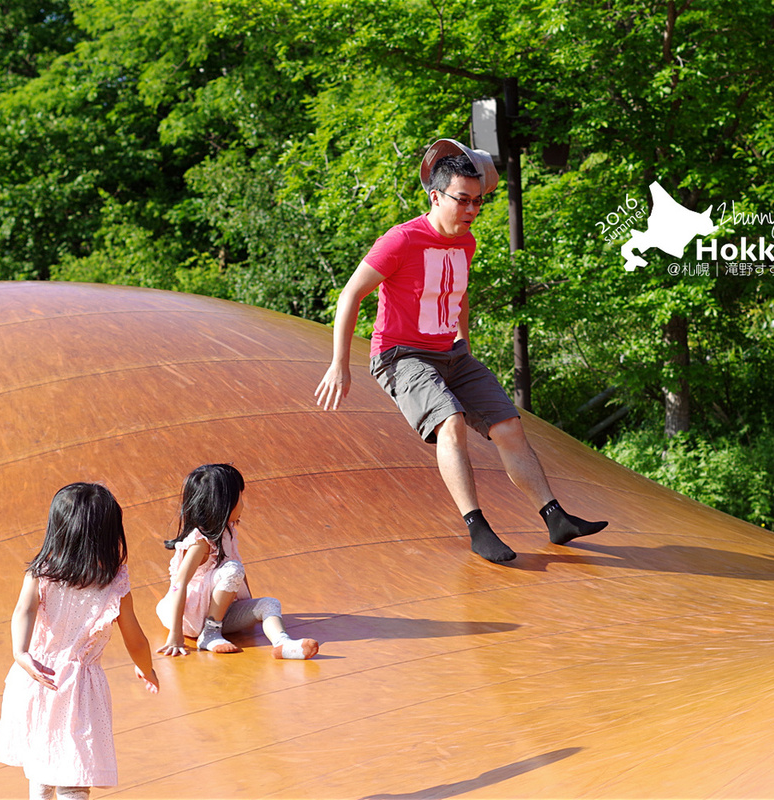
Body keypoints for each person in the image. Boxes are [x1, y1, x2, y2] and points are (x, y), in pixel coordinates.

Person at [314, 138, 607, 563]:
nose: (471, 211)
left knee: (508, 426)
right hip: (401, 355)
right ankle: (478, 529)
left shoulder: (465, 242)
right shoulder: (400, 241)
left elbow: (459, 295)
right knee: (449, 423)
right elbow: (350, 295)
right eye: (463, 201)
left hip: (452, 353)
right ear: (436, 197)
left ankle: (556, 518)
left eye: (478, 203)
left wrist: (463, 344)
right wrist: (339, 363)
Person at [0, 483, 159, 800]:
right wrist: (147, 668)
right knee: (73, 769)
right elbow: (135, 639)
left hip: (36, 677)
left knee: (41, 760)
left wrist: (21, 653)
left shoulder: (41, 571)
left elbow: (23, 609)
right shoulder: (113, 582)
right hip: (80, 689)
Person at [155, 463, 319, 659]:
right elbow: (178, 584)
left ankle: (283, 644)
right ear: (223, 503)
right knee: (233, 569)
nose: (243, 504)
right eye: (240, 498)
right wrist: (175, 635)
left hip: (222, 612)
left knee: (269, 604)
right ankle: (210, 635)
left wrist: (249, 607)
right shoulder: (200, 542)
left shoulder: (228, 531)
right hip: (190, 617)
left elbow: (237, 568)